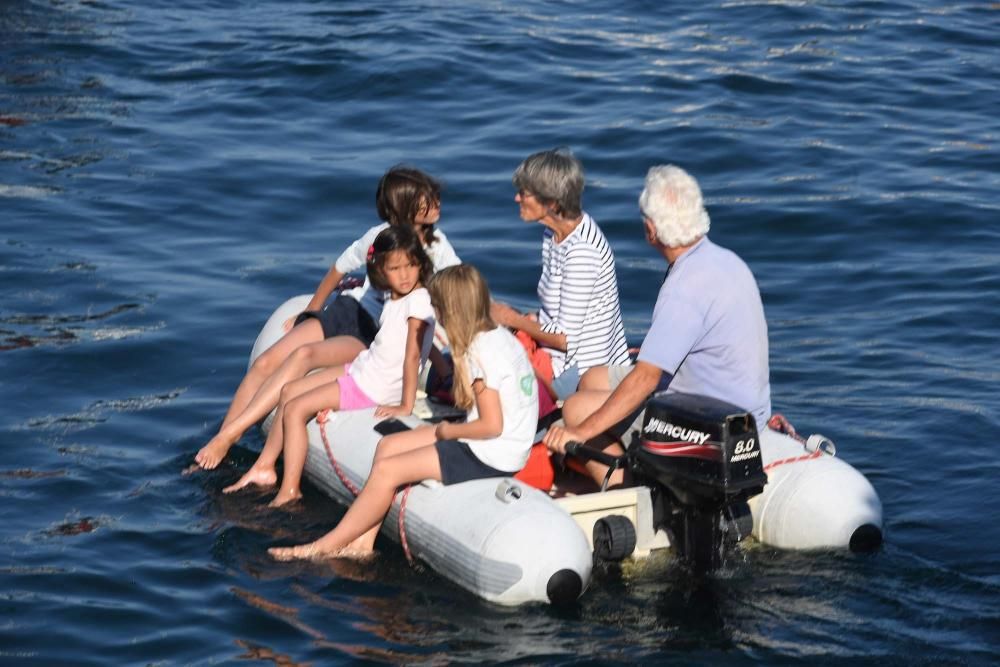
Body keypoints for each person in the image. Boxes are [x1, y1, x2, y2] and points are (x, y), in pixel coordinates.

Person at [195, 165, 460, 469]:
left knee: (305, 355)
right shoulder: (379, 237)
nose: (437, 201)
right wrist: (312, 310)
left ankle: (229, 438)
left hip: (371, 334)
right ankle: (224, 438)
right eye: (427, 198)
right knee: (266, 362)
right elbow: (339, 267)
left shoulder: (436, 246)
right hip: (348, 311)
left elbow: (458, 286)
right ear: (405, 205)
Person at [268, 264, 539, 560]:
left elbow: (491, 426)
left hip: (493, 453)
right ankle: (362, 543)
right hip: (507, 443)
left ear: (452, 308)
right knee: (389, 445)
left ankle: (323, 546)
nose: (434, 313)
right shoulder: (498, 337)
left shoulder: (480, 354)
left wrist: (446, 431)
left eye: (437, 306)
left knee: (388, 470)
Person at [544, 165, 771, 487]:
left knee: (577, 408)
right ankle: (623, 450)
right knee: (593, 376)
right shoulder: (726, 260)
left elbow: (647, 377)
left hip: (710, 417)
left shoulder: (684, 288)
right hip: (743, 404)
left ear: (651, 230)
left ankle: (623, 485)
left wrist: (580, 431)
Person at [222, 225, 438, 505]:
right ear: (381, 272)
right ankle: (264, 467)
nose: (405, 274)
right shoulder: (397, 296)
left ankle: (290, 489)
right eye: (396, 269)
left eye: (411, 266)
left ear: (421, 264)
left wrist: (405, 405)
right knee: (290, 391)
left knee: (296, 408)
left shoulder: (417, 302)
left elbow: (412, 355)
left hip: (374, 385)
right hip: (366, 369)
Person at [490, 148, 630, 402]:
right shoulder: (555, 236)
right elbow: (556, 313)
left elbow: (565, 340)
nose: (516, 199)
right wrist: (524, 320)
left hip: (577, 372)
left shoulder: (582, 252)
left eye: (524, 193)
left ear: (552, 203)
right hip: (559, 358)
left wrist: (514, 319)